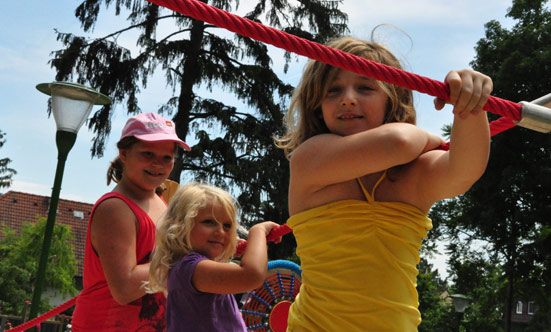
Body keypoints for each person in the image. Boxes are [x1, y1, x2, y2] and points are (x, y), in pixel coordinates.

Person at [275, 36, 492, 331]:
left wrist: (470, 104)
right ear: (316, 106)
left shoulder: (410, 175)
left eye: (365, 87)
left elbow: (464, 170)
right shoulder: (310, 159)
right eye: (333, 90)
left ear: (392, 100)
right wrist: (431, 139)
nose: (348, 98)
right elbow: (399, 141)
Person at [71, 112, 190, 331]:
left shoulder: (160, 202)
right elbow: (125, 287)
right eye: (148, 153)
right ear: (124, 154)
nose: (158, 164)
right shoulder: (116, 208)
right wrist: (188, 258)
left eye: (167, 157)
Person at [146, 183, 281, 332]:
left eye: (227, 226)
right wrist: (257, 232)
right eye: (209, 222)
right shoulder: (190, 268)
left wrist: (224, 252)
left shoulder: (185, 266)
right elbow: (251, 275)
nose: (221, 232)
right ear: (179, 225)